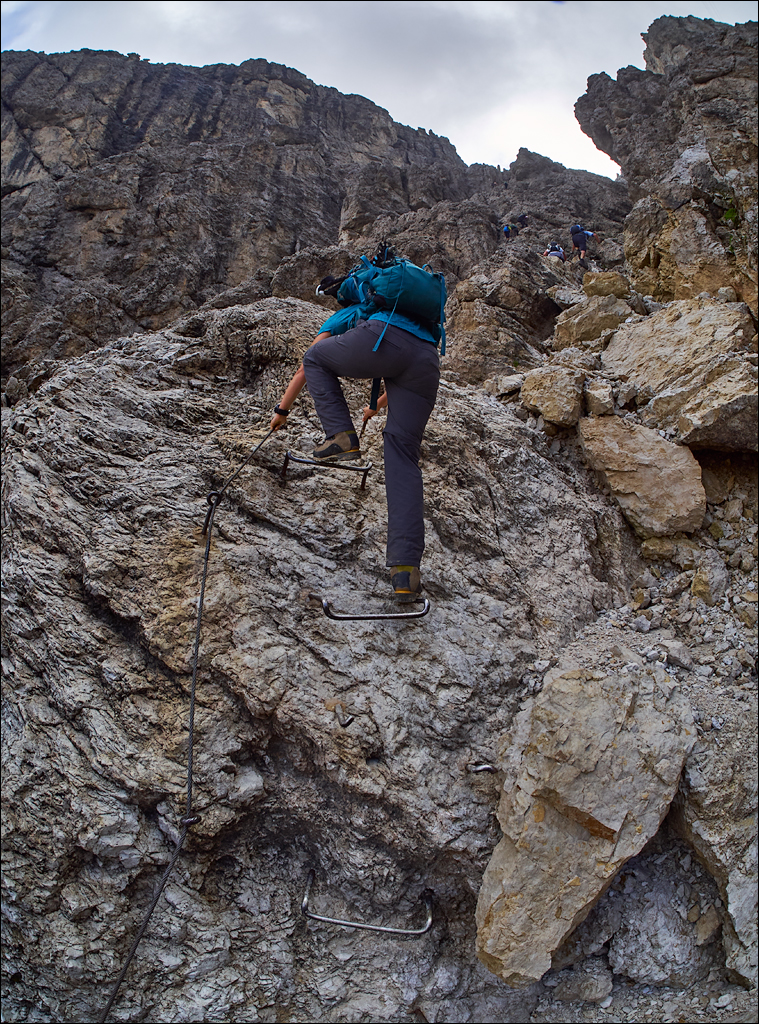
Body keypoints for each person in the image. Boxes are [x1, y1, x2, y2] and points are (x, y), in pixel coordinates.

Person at [270, 270, 441, 603]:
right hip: (427, 360)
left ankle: (340, 436)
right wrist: (376, 405)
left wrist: (282, 410)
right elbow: (403, 365)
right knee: (403, 456)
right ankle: (406, 574)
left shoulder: (350, 312)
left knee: (316, 356)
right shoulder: (415, 319)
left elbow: (309, 365)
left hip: (384, 340)